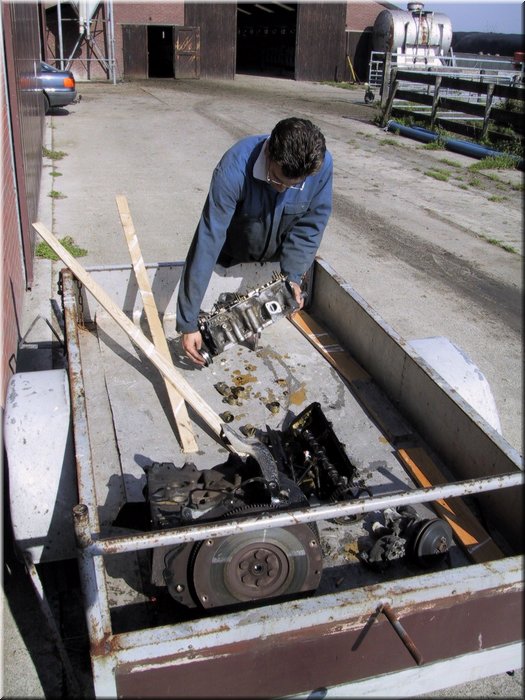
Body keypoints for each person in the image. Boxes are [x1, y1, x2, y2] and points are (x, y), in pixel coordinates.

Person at [177, 117, 333, 365]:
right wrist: (188, 322)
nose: (281, 189)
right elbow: (208, 239)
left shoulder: (320, 167)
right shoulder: (233, 169)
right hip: (234, 250)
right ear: (269, 151)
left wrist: (292, 277)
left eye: (292, 186)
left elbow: (310, 225)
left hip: (276, 257)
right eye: (276, 179)